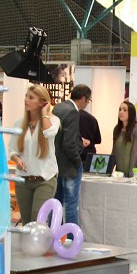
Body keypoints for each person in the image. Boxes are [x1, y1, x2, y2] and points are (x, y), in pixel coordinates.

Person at [9, 85, 60, 225]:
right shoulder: (19, 123)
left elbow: (48, 133)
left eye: (31, 97)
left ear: (42, 102)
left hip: (45, 179)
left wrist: (44, 112)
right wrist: (17, 159)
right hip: (23, 180)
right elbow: (11, 150)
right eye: (26, 96)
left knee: (37, 222)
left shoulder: (53, 121)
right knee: (27, 224)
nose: (26, 100)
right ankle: (29, 247)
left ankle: (41, 247)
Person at [52, 84, 88, 226]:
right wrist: (78, 161)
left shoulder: (58, 107)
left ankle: (53, 234)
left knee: (56, 203)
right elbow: (68, 142)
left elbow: (60, 137)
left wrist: (79, 141)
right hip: (69, 165)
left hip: (56, 163)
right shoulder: (73, 112)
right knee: (71, 205)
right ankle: (72, 239)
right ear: (84, 98)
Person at [111, 101, 137, 178]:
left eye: (124, 110)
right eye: (120, 109)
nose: (121, 112)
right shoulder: (117, 129)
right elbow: (114, 151)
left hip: (132, 173)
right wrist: (109, 170)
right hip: (119, 174)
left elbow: (136, 153)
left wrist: (131, 174)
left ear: (131, 113)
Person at [78, 106, 101, 171]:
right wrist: (90, 143)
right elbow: (98, 140)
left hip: (76, 156)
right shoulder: (92, 119)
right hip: (91, 156)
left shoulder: (72, 118)